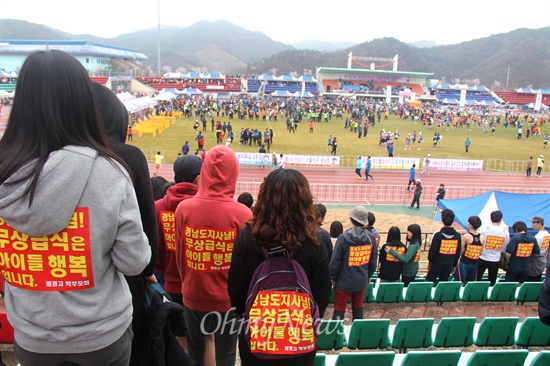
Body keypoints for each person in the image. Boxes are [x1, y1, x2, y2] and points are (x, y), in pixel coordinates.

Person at [0, 50, 151, 365]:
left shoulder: (5, 171)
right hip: (100, 333)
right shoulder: (109, 171)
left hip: (32, 334)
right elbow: (134, 261)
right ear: (82, 101)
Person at [228, 169, 331, 366]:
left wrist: (249, 314)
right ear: (304, 199)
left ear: (264, 197)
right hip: (299, 337)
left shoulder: (247, 236)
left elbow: (235, 288)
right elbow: (323, 292)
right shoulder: (315, 240)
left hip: (257, 335)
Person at [93, 82, 160, 366]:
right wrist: (148, 269)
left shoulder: (37, 156)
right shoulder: (128, 156)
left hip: (50, 300)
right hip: (122, 281)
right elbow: (147, 226)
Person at [175, 145, 252, 366]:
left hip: (193, 292)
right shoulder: (243, 213)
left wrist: (188, 283)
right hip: (228, 300)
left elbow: (182, 255)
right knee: (226, 354)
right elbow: (245, 265)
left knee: (195, 352)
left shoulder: (184, 209)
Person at [154, 155, 202, 348]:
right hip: (200, 285)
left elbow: (155, 253)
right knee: (205, 340)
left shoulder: (158, 207)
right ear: (198, 178)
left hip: (169, 283)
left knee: (176, 339)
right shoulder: (204, 207)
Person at [330, 206, 377, 321]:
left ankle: (337, 335)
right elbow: (373, 260)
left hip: (344, 281)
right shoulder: (371, 238)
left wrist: (332, 277)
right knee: (358, 307)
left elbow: (335, 260)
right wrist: (369, 275)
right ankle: (358, 334)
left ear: (351, 219)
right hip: (361, 280)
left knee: (339, 309)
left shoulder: (344, 238)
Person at [426, 209, 462, 282]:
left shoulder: (437, 235)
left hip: (436, 264)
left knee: (429, 282)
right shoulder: (458, 236)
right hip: (449, 265)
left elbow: (432, 252)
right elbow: (458, 252)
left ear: (442, 220)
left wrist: (432, 261)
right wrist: (454, 265)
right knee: (443, 283)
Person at [478, 210, 510, 285]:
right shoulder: (505, 232)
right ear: (501, 219)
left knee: (478, 278)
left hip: (483, 257)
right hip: (496, 259)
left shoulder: (484, 229)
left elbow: (480, 242)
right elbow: (505, 246)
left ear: (490, 218)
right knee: (492, 280)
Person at [455, 216, 485, 284]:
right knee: (471, 284)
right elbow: (481, 252)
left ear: (470, 225)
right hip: (475, 263)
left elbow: (461, 250)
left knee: (460, 282)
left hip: (464, 262)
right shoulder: (482, 238)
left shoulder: (466, 236)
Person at [527, 216, 550, 282]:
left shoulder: (538, 236)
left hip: (535, 261)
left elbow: (534, 250)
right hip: (543, 260)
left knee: (531, 281)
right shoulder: (547, 234)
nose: (532, 224)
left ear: (540, 223)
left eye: (534, 222)